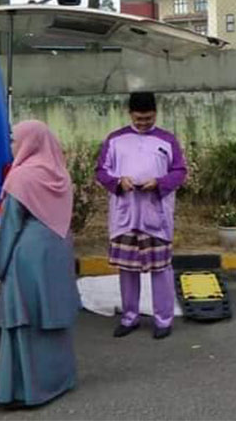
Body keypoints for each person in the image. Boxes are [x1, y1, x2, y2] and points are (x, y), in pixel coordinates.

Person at [0, 120, 80, 408]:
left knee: (23, 320)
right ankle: (60, 380)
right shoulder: (59, 173)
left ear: (29, 142)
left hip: (27, 255)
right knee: (52, 317)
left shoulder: (21, 178)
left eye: (16, 139)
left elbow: (10, 226)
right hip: (57, 251)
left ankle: (22, 391)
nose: (12, 145)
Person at [96, 92, 187, 340]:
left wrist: (159, 183)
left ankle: (163, 319)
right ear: (130, 114)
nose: (143, 123)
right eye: (138, 119)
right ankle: (130, 316)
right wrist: (118, 182)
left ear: (155, 114)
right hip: (125, 216)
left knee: (161, 269)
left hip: (155, 216)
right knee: (127, 269)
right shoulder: (115, 140)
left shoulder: (168, 140)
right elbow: (101, 172)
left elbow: (180, 171)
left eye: (147, 118)